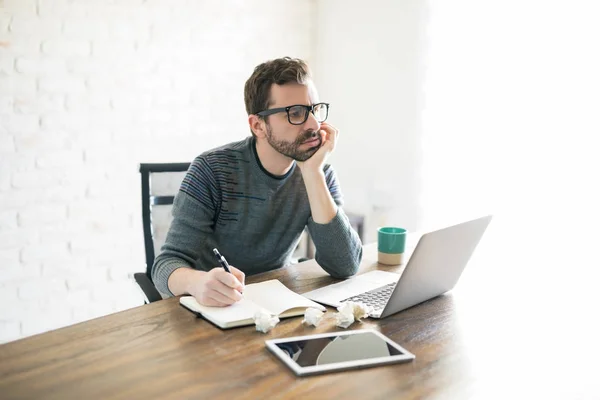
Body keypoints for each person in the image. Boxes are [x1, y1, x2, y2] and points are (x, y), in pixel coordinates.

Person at [152, 57, 363, 306]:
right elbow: (165, 266)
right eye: (295, 113)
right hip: (215, 307)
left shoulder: (318, 172)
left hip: (277, 304)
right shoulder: (210, 170)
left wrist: (312, 174)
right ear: (258, 125)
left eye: (315, 109)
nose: (314, 124)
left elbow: (345, 265)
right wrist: (196, 282)